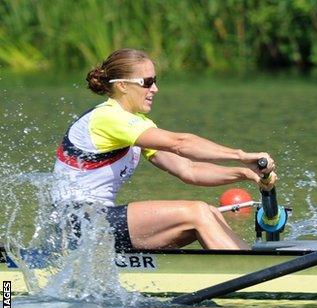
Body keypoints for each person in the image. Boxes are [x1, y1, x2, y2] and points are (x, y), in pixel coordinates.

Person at [54, 48, 276, 251]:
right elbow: (180, 143)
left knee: (208, 211)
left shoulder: (138, 124)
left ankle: (251, 262)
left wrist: (245, 173)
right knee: (197, 212)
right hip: (77, 224)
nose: (155, 89)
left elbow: (189, 170)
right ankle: (248, 273)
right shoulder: (108, 117)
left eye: (155, 81)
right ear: (122, 85)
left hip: (98, 224)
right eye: (147, 82)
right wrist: (239, 155)